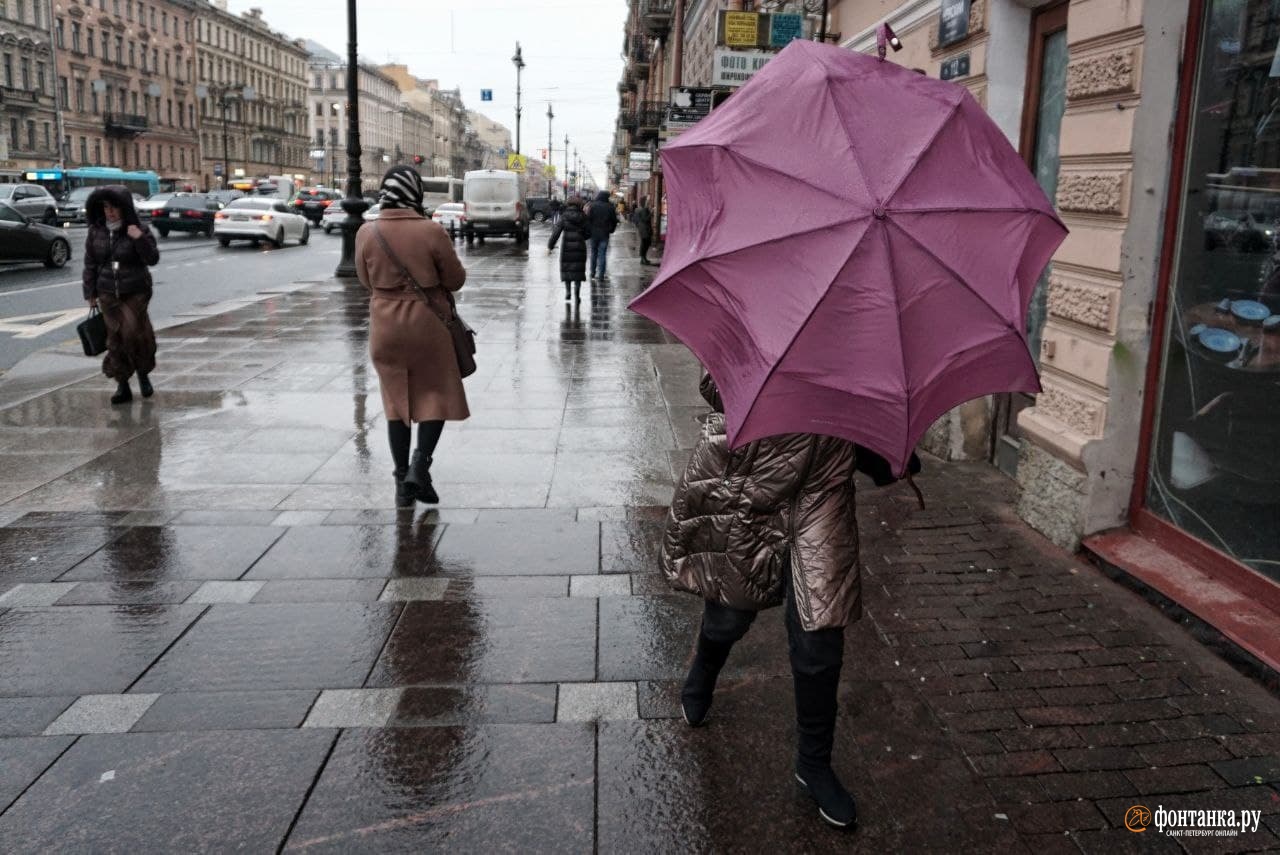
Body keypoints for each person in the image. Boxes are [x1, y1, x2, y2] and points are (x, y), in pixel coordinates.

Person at [661, 372, 860, 830]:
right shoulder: (770, 319)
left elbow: (873, 433)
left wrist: (893, 457)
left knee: (820, 636)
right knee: (729, 618)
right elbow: (714, 388)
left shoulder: (867, 348)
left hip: (823, 499)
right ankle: (705, 667)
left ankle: (814, 764)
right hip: (756, 487)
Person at [355, 165, 469, 508]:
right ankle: (420, 466)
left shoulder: (366, 232)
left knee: (395, 404)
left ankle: (401, 483)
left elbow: (364, 280)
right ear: (415, 194)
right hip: (427, 324)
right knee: (435, 393)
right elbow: (455, 280)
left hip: (384, 326)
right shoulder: (431, 230)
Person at [82, 186, 160, 405]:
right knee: (114, 339)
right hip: (107, 292)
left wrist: (138, 239)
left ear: (124, 208)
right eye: (106, 207)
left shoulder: (138, 229)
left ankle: (143, 374)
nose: (110, 212)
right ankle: (122, 384)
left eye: (114, 207)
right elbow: (90, 263)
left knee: (133, 333)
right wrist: (90, 291)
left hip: (135, 290)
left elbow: (152, 258)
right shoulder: (96, 231)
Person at [548, 195, 590, 303]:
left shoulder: (564, 216)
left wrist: (550, 245)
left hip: (567, 247)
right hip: (580, 247)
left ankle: (568, 292)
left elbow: (556, 232)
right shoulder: (583, 217)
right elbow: (589, 233)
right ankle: (577, 295)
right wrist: (582, 237)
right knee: (578, 272)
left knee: (567, 269)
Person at [585, 189, 618, 281]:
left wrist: (589, 231)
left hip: (594, 234)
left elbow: (588, 219)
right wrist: (611, 230)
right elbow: (614, 221)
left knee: (593, 253)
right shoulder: (610, 207)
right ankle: (601, 275)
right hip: (604, 234)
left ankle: (592, 272)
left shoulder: (593, 206)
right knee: (602, 254)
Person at [634, 197, 654, 266]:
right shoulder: (644, 209)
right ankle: (643, 258)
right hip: (646, 229)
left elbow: (635, 220)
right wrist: (651, 213)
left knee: (644, 243)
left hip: (641, 229)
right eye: (648, 200)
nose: (649, 201)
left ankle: (643, 258)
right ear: (644, 201)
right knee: (646, 244)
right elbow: (646, 219)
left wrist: (638, 226)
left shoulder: (637, 209)